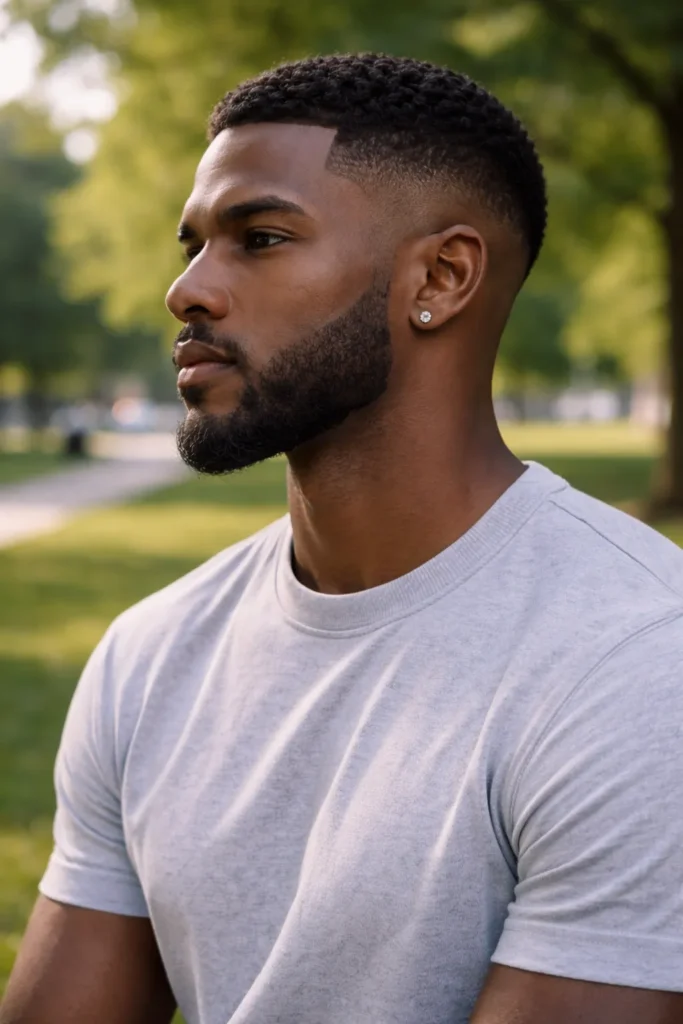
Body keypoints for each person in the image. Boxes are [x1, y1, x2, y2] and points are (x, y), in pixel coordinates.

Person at [3, 54, 682, 1024]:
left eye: (259, 237)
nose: (187, 290)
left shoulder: (635, 663)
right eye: (192, 244)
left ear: (440, 277)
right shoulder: (149, 658)